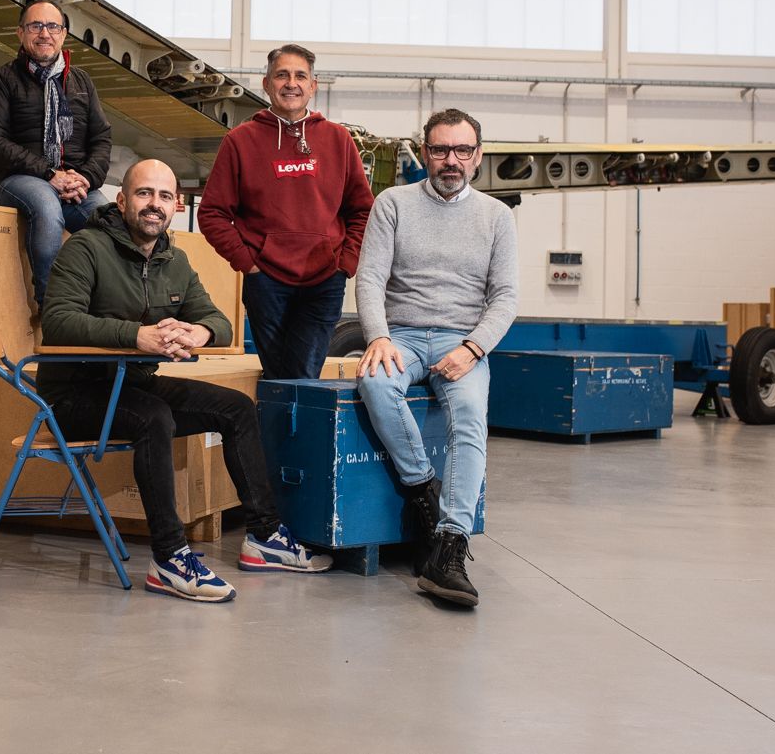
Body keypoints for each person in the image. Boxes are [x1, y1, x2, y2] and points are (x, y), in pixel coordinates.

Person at [39, 159, 331, 602]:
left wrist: (201, 331)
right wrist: (138, 336)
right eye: (143, 194)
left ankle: (264, 537)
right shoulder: (86, 248)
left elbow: (221, 322)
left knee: (234, 408)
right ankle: (169, 559)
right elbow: (58, 322)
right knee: (153, 417)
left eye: (163, 196)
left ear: (176, 206)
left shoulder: (174, 261)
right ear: (121, 201)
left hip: (132, 385)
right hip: (76, 396)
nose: (153, 205)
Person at [354, 108, 518, 607]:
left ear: (478, 157)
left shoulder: (497, 216)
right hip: (400, 335)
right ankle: (422, 488)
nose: (451, 160)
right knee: (376, 384)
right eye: (441, 150)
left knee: (469, 416)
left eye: (462, 151)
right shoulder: (393, 203)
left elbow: (505, 296)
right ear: (425, 153)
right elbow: (369, 279)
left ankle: (449, 546)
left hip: (461, 340)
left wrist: (473, 348)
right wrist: (377, 336)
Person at [197, 44, 373, 379]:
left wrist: (345, 263)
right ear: (266, 84)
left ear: (313, 86)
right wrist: (246, 262)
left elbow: (363, 210)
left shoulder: (338, 139)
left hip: (325, 279)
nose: (290, 83)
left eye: (299, 76)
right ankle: (275, 431)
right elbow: (213, 213)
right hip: (266, 280)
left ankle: (284, 431)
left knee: (303, 374)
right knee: (279, 374)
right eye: (282, 75)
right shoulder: (240, 140)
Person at [0, 0, 113, 309]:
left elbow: (102, 138)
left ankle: (107, 310)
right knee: (47, 209)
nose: (44, 33)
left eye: (53, 26)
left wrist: (85, 178)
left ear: (63, 34)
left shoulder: (81, 82)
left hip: (76, 182)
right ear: (20, 33)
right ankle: (53, 307)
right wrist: (49, 174)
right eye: (35, 26)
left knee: (111, 223)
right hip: (19, 180)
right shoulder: (2, 80)